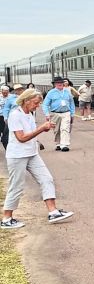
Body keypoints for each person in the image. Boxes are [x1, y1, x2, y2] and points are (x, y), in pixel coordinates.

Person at [3, 89, 75, 229]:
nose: (37, 106)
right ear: (26, 100)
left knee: (46, 179)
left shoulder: (29, 113)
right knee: (16, 186)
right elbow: (21, 138)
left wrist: (41, 133)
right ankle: (6, 218)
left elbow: (30, 133)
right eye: (36, 103)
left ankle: (53, 212)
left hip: (32, 153)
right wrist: (42, 128)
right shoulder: (15, 115)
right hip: (17, 155)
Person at [42, 76, 75, 151]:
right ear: (54, 84)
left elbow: (71, 103)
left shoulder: (67, 92)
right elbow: (45, 104)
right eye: (57, 83)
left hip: (66, 113)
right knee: (56, 130)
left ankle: (64, 145)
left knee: (65, 128)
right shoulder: (51, 93)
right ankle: (58, 143)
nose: (59, 84)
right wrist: (47, 114)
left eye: (61, 82)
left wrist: (72, 114)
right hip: (55, 113)